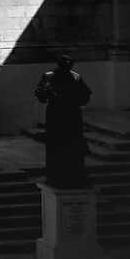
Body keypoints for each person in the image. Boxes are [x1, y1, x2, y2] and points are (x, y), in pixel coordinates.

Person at [35, 54, 95, 189]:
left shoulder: (75, 77)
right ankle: (56, 174)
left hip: (68, 114)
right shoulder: (51, 76)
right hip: (59, 113)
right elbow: (41, 94)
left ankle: (72, 174)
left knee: (71, 144)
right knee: (57, 143)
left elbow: (85, 97)